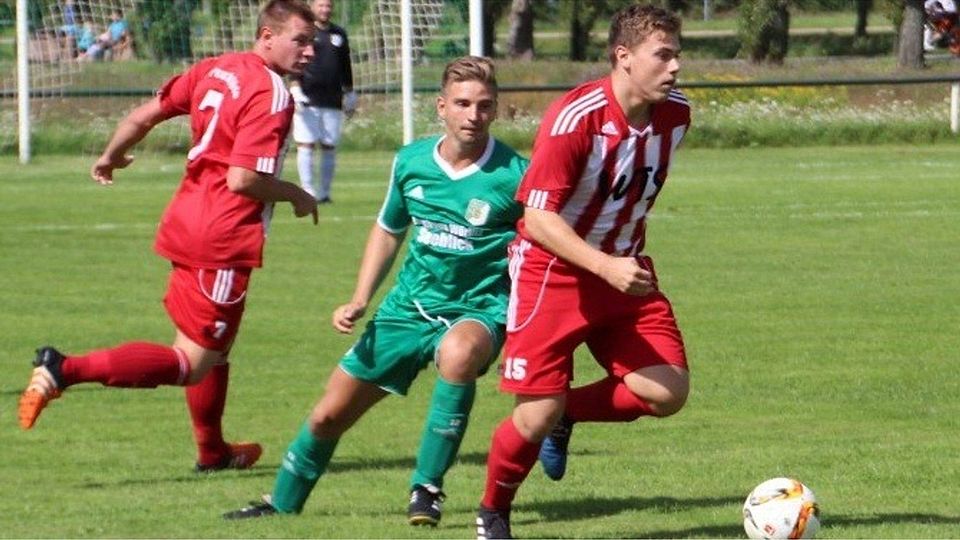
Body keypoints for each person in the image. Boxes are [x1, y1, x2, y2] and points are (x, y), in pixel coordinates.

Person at [222, 56, 528, 527]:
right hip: (408, 308)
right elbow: (388, 230)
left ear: (495, 110)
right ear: (441, 107)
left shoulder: (516, 174)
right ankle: (282, 501)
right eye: (463, 104)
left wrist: (524, 331)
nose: (473, 115)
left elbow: (537, 255)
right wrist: (360, 297)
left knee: (460, 354)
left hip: (478, 308)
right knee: (328, 416)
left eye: (484, 106)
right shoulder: (410, 162)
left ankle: (426, 489)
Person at [17, 0, 318, 474]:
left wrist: (111, 156)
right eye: (300, 41)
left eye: (312, 43)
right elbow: (244, 179)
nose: (309, 52)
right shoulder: (271, 93)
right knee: (191, 362)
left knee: (214, 349)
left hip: (185, 220)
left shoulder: (214, 69)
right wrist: (296, 194)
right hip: (222, 237)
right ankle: (63, 369)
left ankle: (213, 451)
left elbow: (143, 115)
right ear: (266, 36)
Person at [474, 5, 691, 539]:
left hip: (624, 269)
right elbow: (536, 217)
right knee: (532, 416)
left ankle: (566, 413)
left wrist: (618, 265)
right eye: (662, 55)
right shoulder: (576, 119)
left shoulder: (677, 114)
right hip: (553, 271)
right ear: (623, 58)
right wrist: (603, 264)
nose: (676, 67)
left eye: (677, 55)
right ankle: (492, 512)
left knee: (666, 392)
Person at [289, 0, 356, 204]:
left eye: (328, 6)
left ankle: (324, 193)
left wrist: (350, 92)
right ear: (312, 7)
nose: (325, 9)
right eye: (321, 5)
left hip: (333, 99)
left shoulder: (339, 34)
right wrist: (295, 88)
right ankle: (307, 190)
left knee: (329, 146)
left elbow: (345, 65)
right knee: (306, 145)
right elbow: (293, 60)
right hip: (307, 98)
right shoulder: (305, 32)